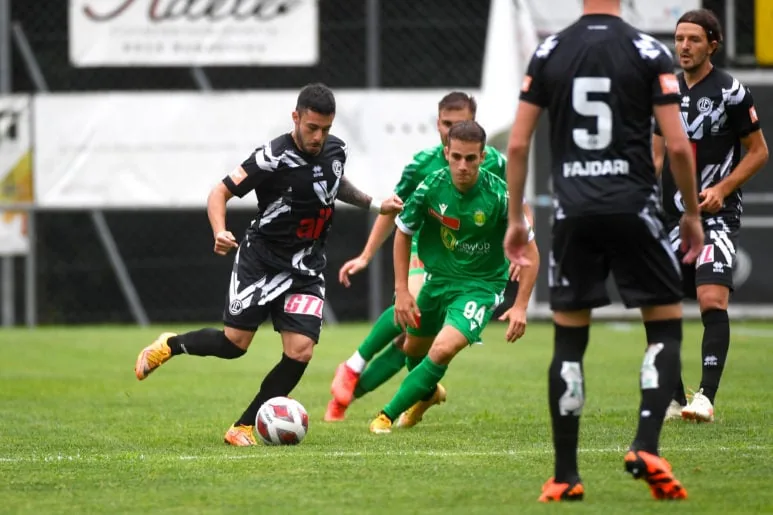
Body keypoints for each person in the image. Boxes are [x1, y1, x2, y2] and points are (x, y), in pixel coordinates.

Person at [503, 0, 705, 502]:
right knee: (664, 325)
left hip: (573, 214)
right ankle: (646, 444)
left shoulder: (550, 50)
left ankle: (566, 475)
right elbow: (678, 147)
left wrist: (514, 218)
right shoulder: (649, 51)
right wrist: (691, 213)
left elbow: (520, 145)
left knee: (569, 344)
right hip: (634, 208)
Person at [133, 83, 403, 446]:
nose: (319, 136)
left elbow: (334, 184)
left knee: (301, 351)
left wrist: (375, 205)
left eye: (326, 128)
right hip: (261, 262)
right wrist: (219, 231)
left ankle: (242, 426)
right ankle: (172, 344)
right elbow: (219, 192)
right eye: (312, 128)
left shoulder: (336, 150)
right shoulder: (270, 157)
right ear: (296, 117)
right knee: (235, 344)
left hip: (306, 268)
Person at [324, 92, 534, 422]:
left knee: (415, 339)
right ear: (439, 125)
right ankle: (355, 369)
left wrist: (518, 244)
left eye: (460, 123)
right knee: (411, 309)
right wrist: (366, 255)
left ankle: (387, 395)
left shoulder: (494, 164)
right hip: (427, 249)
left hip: (474, 265)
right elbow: (394, 211)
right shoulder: (423, 165)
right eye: (447, 124)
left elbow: (521, 209)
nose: (451, 130)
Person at [368, 120, 540, 434]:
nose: (463, 166)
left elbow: (532, 251)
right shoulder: (430, 186)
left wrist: (521, 306)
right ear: (446, 153)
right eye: (456, 157)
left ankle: (385, 416)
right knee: (413, 350)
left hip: (481, 287)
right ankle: (428, 394)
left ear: (483, 157)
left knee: (443, 349)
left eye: (470, 158)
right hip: (438, 281)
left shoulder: (500, 196)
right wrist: (402, 290)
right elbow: (403, 233)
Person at [652, 9, 769, 423]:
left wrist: (721, 188)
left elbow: (759, 151)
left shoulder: (732, 92)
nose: (683, 46)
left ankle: (705, 397)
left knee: (710, 298)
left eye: (693, 39)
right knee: (659, 305)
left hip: (714, 218)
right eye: (679, 38)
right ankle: (670, 396)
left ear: (712, 45)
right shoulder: (664, 89)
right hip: (670, 218)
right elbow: (657, 149)